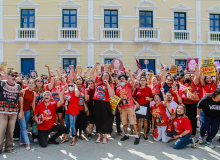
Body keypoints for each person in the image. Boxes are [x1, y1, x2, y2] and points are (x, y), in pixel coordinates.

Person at [90, 62, 115, 144]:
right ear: (102, 76)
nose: (105, 76)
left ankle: (105, 136)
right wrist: (95, 65)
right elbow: (91, 73)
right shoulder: (98, 81)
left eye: (107, 76)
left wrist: (107, 83)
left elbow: (112, 94)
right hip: (97, 102)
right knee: (98, 119)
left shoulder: (110, 84)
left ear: (109, 77)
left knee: (104, 119)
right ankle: (99, 136)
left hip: (105, 103)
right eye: (104, 75)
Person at [0, 68, 23, 154]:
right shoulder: (2, 83)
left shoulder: (18, 86)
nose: (14, 77)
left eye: (15, 76)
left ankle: (9, 147)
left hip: (13, 112)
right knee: (1, 130)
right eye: (12, 75)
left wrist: (21, 111)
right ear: (7, 76)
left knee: (10, 131)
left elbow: (20, 99)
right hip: (2, 111)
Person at [116, 68, 140, 145]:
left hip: (130, 107)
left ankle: (137, 136)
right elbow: (118, 99)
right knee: (124, 123)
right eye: (120, 79)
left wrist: (129, 73)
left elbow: (133, 81)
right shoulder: (118, 89)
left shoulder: (128, 85)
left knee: (133, 122)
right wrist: (119, 107)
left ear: (126, 80)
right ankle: (126, 135)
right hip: (122, 108)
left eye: (123, 79)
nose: (121, 80)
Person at [181, 65, 199, 137]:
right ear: (184, 79)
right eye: (186, 78)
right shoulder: (181, 85)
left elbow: (197, 77)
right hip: (185, 105)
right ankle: (187, 130)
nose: (187, 78)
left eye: (188, 77)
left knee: (193, 119)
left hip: (193, 104)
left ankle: (193, 132)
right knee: (186, 119)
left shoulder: (193, 84)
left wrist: (197, 69)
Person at [18, 79, 36, 151]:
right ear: (27, 84)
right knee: (23, 126)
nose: (31, 84)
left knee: (24, 126)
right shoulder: (23, 91)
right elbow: (20, 102)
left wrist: (35, 114)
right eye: (30, 83)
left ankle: (22, 141)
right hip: (21, 110)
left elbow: (33, 104)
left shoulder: (34, 93)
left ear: (34, 85)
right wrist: (21, 111)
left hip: (28, 111)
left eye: (32, 83)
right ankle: (27, 143)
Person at [61, 82, 80, 146]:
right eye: (69, 85)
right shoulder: (67, 93)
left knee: (72, 126)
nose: (70, 86)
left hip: (73, 112)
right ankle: (66, 137)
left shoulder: (76, 92)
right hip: (67, 111)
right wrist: (63, 89)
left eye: (72, 85)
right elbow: (61, 96)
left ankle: (73, 139)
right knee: (67, 125)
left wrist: (76, 86)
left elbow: (77, 94)